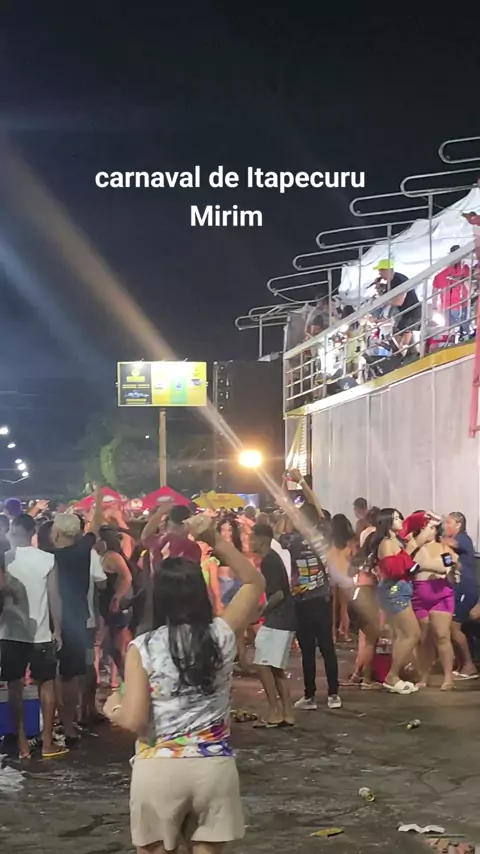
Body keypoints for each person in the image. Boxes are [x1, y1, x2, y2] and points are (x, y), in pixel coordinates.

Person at [103, 513, 265, 854]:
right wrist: (215, 540)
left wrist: (112, 708)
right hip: (213, 768)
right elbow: (254, 582)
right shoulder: (221, 634)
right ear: (201, 593)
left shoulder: (144, 647)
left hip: (159, 769)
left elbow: (133, 719)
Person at [0, 513, 66, 759]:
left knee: (14, 688)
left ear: (15, 530)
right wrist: (57, 629)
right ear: (33, 532)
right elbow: (54, 597)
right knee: (46, 686)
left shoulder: (5, 558)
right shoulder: (47, 559)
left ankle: (22, 745)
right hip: (41, 633)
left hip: (10, 633)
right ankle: (47, 742)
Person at [282, 474, 341, 710]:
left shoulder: (291, 539)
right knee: (327, 648)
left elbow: (284, 516)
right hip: (322, 599)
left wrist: (285, 487)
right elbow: (317, 506)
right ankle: (333, 694)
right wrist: (302, 484)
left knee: (307, 650)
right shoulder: (323, 534)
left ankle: (310, 696)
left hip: (301, 600)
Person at [50, 486, 102, 746]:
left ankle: (58, 723)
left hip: (53, 622)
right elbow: (95, 529)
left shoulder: (49, 558)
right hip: (79, 620)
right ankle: (68, 724)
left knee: (54, 677)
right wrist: (99, 500)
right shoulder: (84, 552)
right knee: (70, 676)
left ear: (56, 533)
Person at [372, 509, 431, 694]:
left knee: (402, 634)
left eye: (399, 517)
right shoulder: (386, 543)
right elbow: (394, 570)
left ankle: (394, 675)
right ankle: (392, 675)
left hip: (401, 590)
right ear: (387, 522)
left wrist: (425, 517)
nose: (400, 520)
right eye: (396, 518)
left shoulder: (396, 539)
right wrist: (411, 551)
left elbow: (410, 524)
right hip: (394, 591)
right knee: (412, 634)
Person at [250, 523, 296, 727]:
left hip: (278, 619)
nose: (249, 542)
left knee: (262, 664)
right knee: (276, 668)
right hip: (284, 618)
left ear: (262, 539)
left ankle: (274, 711)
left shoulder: (269, 561)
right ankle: (286, 713)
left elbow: (278, 594)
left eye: (252, 538)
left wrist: (261, 613)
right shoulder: (272, 559)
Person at [411, 519, 458, 690]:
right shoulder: (413, 548)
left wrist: (451, 570)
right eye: (424, 528)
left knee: (442, 636)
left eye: (431, 528)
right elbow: (407, 568)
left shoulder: (444, 549)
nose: (428, 531)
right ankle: (423, 675)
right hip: (419, 596)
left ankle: (448, 677)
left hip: (441, 595)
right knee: (424, 638)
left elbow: (450, 570)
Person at [443, 512, 479, 680]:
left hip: (466, 588)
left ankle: (469, 665)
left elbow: (451, 543)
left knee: (454, 626)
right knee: (451, 627)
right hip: (457, 588)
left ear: (458, 525)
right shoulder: (452, 546)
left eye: (449, 523)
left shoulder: (463, 538)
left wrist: (433, 537)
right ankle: (461, 663)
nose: (446, 526)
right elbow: (448, 561)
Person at [97, 526, 134, 687]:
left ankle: (127, 680)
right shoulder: (104, 556)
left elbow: (127, 577)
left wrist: (117, 597)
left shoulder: (112, 556)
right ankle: (120, 679)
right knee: (110, 645)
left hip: (114, 605)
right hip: (108, 603)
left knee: (119, 646)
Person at [373, 260, 421, 352]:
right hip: (406, 312)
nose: (379, 274)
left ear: (386, 270)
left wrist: (385, 302)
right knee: (398, 335)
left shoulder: (399, 280)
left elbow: (398, 302)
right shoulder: (391, 282)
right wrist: (379, 288)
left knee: (403, 334)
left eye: (380, 271)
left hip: (412, 311)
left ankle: (404, 352)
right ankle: (403, 352)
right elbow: (386, 298)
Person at [432, 245, 470, 332]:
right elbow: (434, 291)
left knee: (450, 331)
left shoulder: (442, 273)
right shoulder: (465, 269)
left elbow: (434, 292)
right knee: (463, 331)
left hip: (451, 307)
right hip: (458, 306)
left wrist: (434, 308)